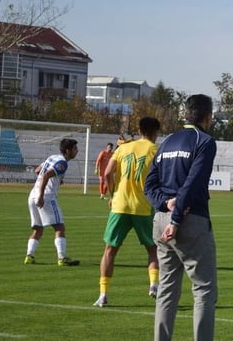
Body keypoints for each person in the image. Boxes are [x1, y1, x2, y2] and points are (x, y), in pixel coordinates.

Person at [144, 94, 218, 341]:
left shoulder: (167, 142)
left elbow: (149, 185)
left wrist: (165, 203)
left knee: (166, 288)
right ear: (208, 117)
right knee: (204, 289)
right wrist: (176, 219)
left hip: (160, 219)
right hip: (189, 220)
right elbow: (192, 184)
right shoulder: (204, 141)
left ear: (186, 114)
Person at [93, 117, 161, 308]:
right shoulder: (155, 150)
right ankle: (154, 286)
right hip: (143, 207)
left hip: (120, 206)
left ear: (139, 130)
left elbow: (107, 173)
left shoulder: (123, 148)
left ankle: (103, 295)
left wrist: (113, 194)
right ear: (156, 132)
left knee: (110, 250)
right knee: (153, 249)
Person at [24, 138, 80, 266]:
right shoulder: (62, 163)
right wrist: (41, 195)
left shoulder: (52, 157)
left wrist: (57, 179)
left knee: (38, 229)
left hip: (32, 195)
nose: (77, 151)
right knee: (59, 228)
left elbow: (38, 170)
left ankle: (29, 256)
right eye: (75, 149)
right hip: (46, 197)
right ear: (67, 150)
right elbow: (46, 175)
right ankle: (62, 257)